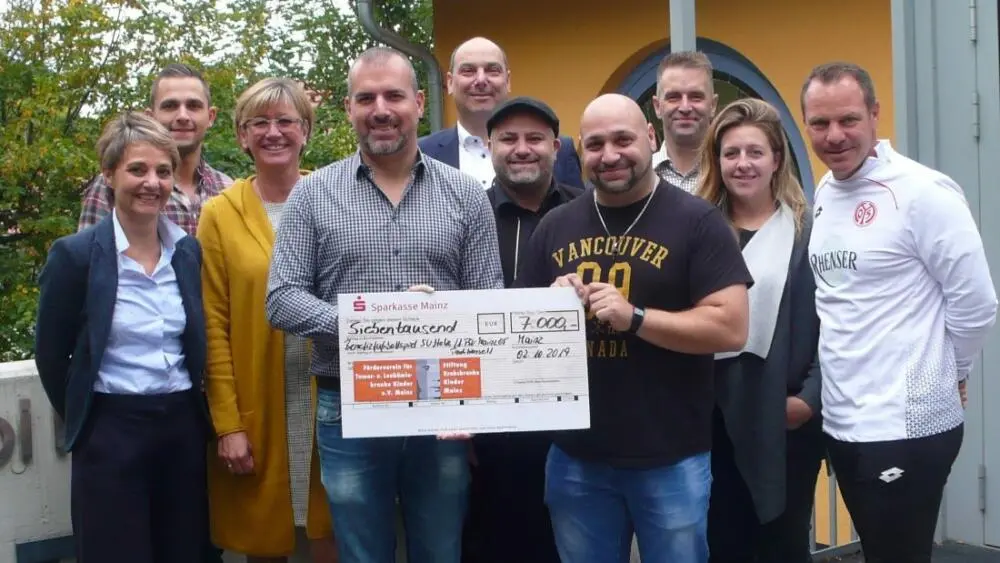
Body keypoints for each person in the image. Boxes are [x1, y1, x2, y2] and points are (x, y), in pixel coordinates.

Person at [265, 46, 504, 563]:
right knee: (361, 552)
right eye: (366, 98)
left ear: (418, 102)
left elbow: (490, 303)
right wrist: (372, 324)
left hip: (444, 403)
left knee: (441, 548)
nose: (380, 109)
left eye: (393, 96)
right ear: (348, 108)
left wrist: (438, 331)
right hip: (348, 405)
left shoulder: (466, 195)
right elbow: (281, 299)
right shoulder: (312, 195)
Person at [514, 93, 753, 563]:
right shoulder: (555, 226)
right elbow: (519, 336)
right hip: (576, 457)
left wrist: (636, 318)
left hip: (671, 457)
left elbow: (731, 327)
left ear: (650, 137)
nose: (610, 155)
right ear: (580, 151)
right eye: (595, 144)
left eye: (623, 140)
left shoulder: (698, 220)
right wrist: (547, 306)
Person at [802, 61, 998, 563]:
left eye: (848, 119)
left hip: (906, 425)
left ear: (874, 114)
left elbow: (976, 303)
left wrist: (953, 371)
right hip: (843, 421)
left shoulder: (923, 192)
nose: (834, 135)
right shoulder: (825, 191)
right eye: (820, 123)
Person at [35, 111, 211, 563]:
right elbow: (51, 357)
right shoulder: (75, 256)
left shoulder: (187, 252)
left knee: (184, 552)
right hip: (110, 432)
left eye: (163, 171)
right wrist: (90, 423)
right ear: (109, 174)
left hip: (181, 429)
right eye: (137, 169)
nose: (152, 182)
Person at [197, 78, 337, 562]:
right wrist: (227, 425)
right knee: (265, 540)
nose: (273, 132)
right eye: (259, 122)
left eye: (285, 121)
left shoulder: (337, 199)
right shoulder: (219, 214)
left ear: (306, 131)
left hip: (329, 397)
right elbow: (213, 326)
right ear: (241, 135)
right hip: (259, 402)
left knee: (333, 531)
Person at [694, 98, 823, 563]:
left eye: (755, 152)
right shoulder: (697, 228)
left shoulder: (808, 230)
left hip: (782, 417)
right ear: (717, 160)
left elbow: (839, 322)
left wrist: (810, 398)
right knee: (720, 542)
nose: (742, 164)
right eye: (731, 153)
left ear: (776, 159)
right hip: (708, 416)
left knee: (781, 544)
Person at [462, 96, 581, 563]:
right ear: (489, 146)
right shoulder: (466, 214)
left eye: (535, 138)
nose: (522, 149)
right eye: (508, 139)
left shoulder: (587, 212)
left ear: (557, 146)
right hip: (489, 427)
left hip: (572, 426)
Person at [78, 63, 233, 234]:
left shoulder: (227, 189)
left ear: (210, 117)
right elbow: (88, 249)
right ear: (150, 117)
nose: (183, 116)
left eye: (193, 106)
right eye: (170, 106)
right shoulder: (115, 184)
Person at [418, 36, 584, 190]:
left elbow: (578, 209)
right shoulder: (422, 153)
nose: (481, 80)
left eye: (492, 70)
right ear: (450, 82)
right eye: (468, 70)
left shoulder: (560, 150)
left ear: (508, 81)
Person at [650, 51, 718, 192]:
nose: (685, 107)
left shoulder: (729, 174)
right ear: (657, 106)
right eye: (673, 97)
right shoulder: (641, 176)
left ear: (713, 105)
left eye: (696, 97)